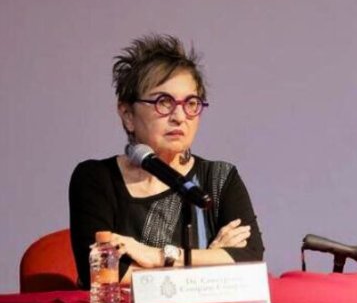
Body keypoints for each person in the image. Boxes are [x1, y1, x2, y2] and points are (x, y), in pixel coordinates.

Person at [69, 35, 264, 287]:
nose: (180, 116)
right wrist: (208, 263)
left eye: (191, 103)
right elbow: (102, 275)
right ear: (128, 114)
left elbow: (249, 260)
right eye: (164, 102)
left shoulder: (218, 179)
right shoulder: (95, 178)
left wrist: (157, 257)